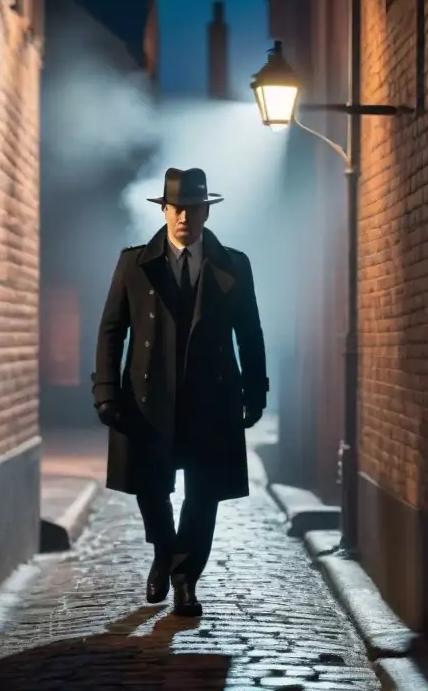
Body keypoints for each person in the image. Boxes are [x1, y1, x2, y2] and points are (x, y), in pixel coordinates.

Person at [91, 167, 268, 617]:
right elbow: (111, 330)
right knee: (152, 486)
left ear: (206, 211)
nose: (184, 216)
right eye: (177, 208)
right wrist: (106, 391)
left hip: (212, 398)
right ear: (165, 210)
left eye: (193, 208)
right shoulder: (134, 264)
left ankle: (186, 579)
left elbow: (250, 333)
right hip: (149, 398)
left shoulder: (235, 265)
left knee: (203, 492)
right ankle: (163, 553)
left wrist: (255, 391)